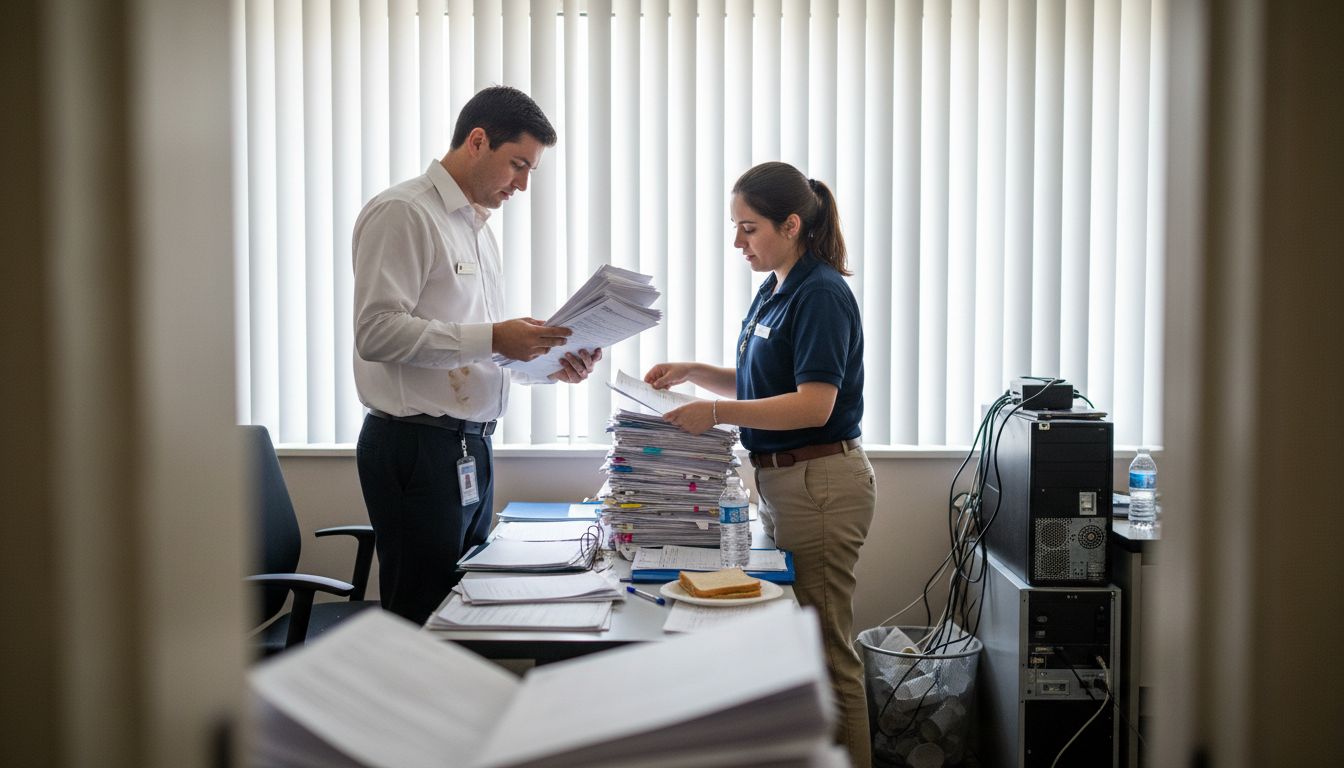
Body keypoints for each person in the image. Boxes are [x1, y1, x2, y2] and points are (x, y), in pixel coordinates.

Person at [645, 161, 874, 767]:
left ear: (791, 224)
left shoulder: (822, 292)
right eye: (735, 228)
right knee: (795, 644)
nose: (737, 243)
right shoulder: (775, 286)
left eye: (748, 229)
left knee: (826, 649)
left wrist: (716, 413)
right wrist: (693, 371)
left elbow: (813, 403)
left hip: (822, 480)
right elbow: (760, 378)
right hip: (783, 479)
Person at [352, 86, 601, 625]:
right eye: (517, 165)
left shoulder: (475, 229)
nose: (523, 184)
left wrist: (545, 364)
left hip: (469, 448)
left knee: (466, 613)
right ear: (478, 140)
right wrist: (493, 337)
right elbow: (376, 332)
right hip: (416, 447)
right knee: (422, 619)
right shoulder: (404, 213)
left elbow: (470, 347)